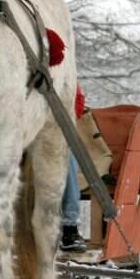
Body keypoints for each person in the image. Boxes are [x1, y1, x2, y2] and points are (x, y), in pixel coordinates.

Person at [60, 85, 88, 253]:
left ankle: (69, 227)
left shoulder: (64, 68)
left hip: (52, 128)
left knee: (66, 154)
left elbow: (77, 99)